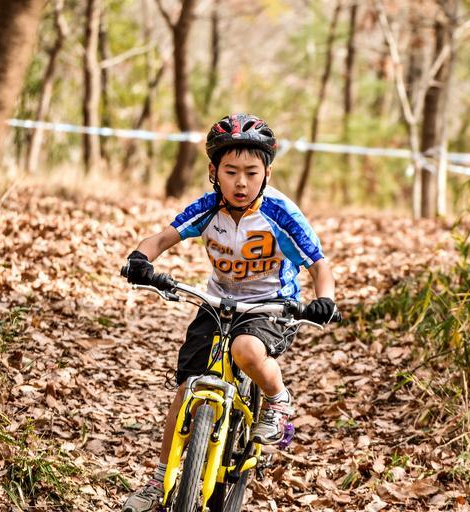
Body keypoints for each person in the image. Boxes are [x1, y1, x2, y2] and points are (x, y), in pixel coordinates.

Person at [121, 113, 338, 512]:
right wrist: (140, 258)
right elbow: (163, 237)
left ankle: (277, 400)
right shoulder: (208, 209)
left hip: (270, 305)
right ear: (213, 172)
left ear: (267, 173)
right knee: (187, 387)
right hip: (218, 302)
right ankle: (158, 480)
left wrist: (325, 299)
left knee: (246, 349)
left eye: (251, 173)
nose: (241, 183)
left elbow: (319, 265)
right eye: (231, 172)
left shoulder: (280, 213)